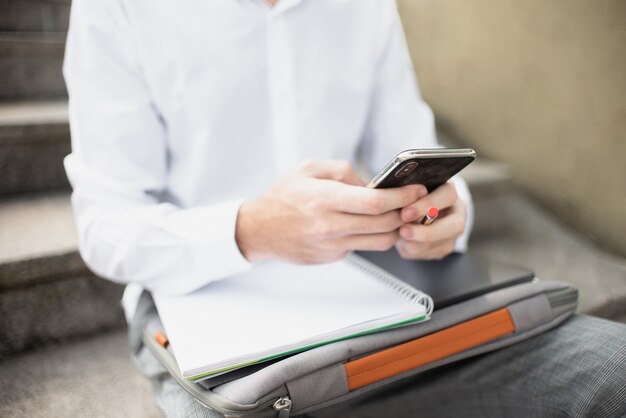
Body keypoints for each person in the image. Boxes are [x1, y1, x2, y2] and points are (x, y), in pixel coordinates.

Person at [63, 0, 626, 416]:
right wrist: (250, 229)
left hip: (372, 298)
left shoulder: (367, 7)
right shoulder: (120, 10)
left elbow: (417, 161)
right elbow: (105, 226)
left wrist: (441, 219)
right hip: (201, 310)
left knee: (614, 369)